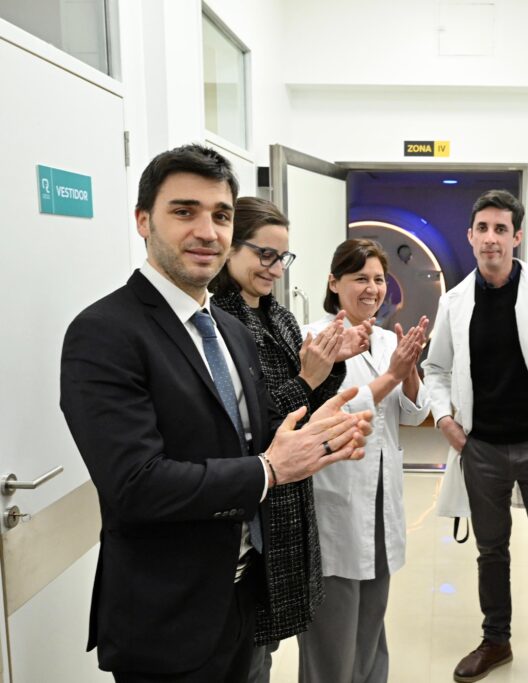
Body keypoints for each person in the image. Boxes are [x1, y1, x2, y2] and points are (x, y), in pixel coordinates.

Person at [59, 144, 373, 683]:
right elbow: (135, 484)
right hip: (168, 617)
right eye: (184, 211)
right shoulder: (105, 332)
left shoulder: (228, 330)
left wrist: (313, 436)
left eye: (221, 215)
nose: (207, 231)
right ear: (143, 221)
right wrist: (270, 471)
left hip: (244, 594)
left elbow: (253, 434)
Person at [423, 190, 528, 683]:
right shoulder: (455, 302)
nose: (491, 238)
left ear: (517, 237)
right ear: (470, 236)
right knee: (491, 551)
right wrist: (444, 420)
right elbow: (436, 367)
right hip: (482, 449)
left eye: (501, 229)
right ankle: (495, 640)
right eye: (483, 228)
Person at [209, 197, 372, 683]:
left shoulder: (278, 316)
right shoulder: (218, 321)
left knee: (266, 643)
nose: (276, 268)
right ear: (231, 247)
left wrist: (331, 366)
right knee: (247, 648)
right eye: (264, 254)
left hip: (290, 502)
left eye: (282, 257)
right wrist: (308, 378)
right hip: (254, 500)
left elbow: (308, 404)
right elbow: (251, 423)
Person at [297, 239, 430, 683]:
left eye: (378, 279)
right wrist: (393, 374)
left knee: (371, 626)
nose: (372, 289)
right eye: (360, 279)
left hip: (379, 500)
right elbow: (331, 418)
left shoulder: (389, 339)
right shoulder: (314, 340)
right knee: (333, 636)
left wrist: (408, 370)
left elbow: (414, 415)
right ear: (334, 283)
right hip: (336, 500)